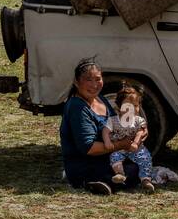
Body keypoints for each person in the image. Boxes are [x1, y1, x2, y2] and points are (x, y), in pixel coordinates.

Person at [59, 58, 142, 194]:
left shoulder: (100, 99)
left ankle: (107, 181)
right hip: (85, 165)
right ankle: (94, 182)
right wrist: (121, 144)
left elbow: (115, 126)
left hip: (106, 160)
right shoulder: (77, 106)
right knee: (133, 171)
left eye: (98, 79)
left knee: (139, 165)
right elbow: (89, 147)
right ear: (76, 82)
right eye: (88, 80)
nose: (94, 85)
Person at [106, 84, 155, 193]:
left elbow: (141, 131)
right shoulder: (113, 120)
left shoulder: (139, 120)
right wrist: (107, 141)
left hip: (136, 148)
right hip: (119, 148)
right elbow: (106, 130)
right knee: (114, 157)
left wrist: (136, 143)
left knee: (145, 158)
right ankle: (119, 174)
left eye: (135, 105)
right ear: (119, 107)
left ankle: (145, 179)